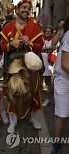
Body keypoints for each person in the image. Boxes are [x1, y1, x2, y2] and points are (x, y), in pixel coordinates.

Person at [0, 0, 44, 133]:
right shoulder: (8, 26)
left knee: (34, 91)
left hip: (30, 63)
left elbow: (40, 45)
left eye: (29, 8)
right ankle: (13, 121)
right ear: (17, 9)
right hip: (13, 63)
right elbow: (2, 46)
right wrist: (11, 43)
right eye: (24, 7)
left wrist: (29, 43)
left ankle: (33, 117)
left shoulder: (34, 25)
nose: (26, 10)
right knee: (14, 91)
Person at [51, 16, 69, 154]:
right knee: (62, 115)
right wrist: (59, 29)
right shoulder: (67, 34)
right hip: (64, 79)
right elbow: (65, 64)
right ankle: (56, 144)